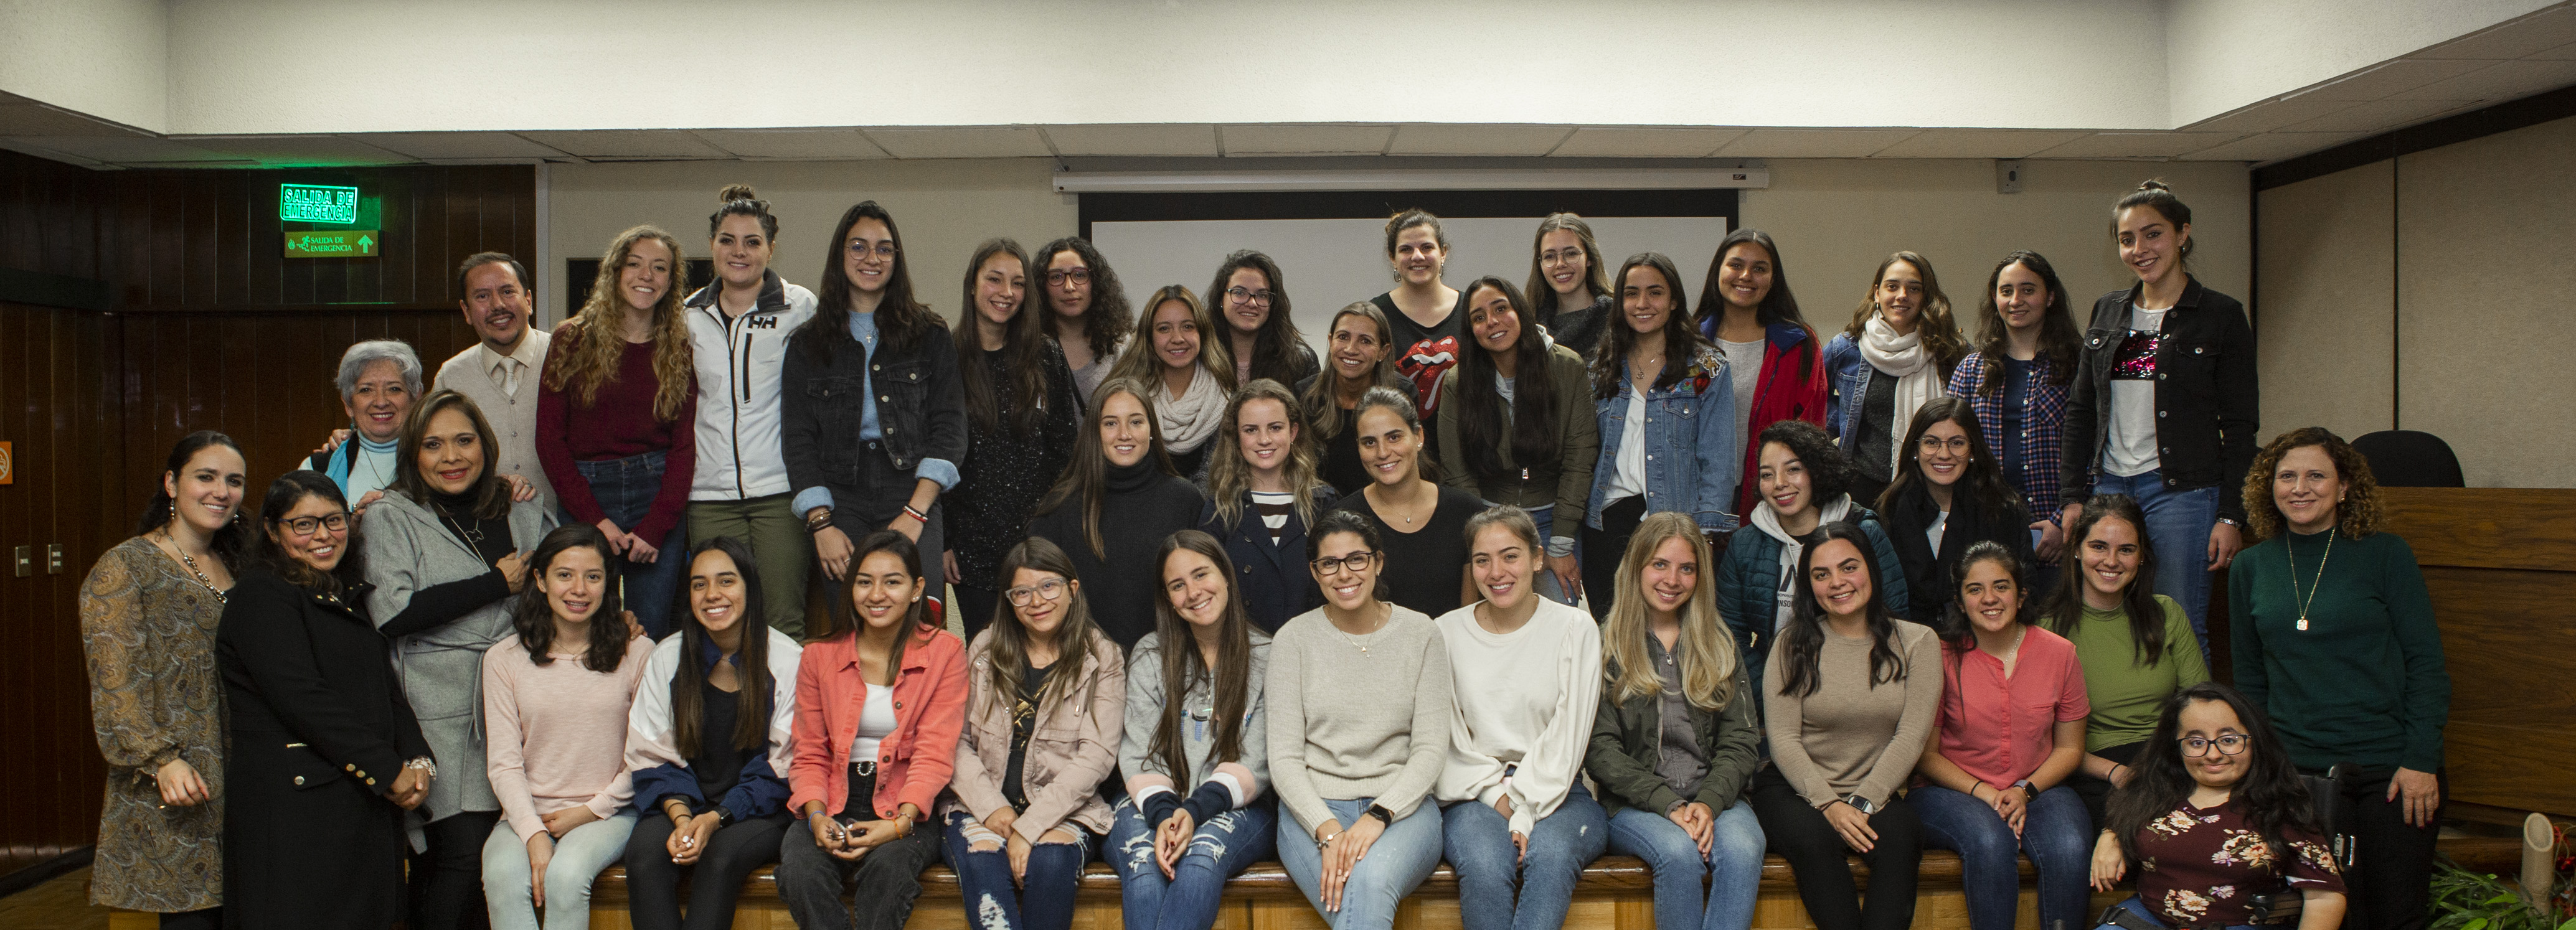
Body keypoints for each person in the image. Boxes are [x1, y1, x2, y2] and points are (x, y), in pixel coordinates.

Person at [2230, 427, 2447, 930]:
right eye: (2286, 476)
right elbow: (2250, 681)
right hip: (2298, 772)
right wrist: (2263, 773)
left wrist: (2419, 760)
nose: (2299, 487)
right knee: (2326, 916)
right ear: (2270, 487)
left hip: (2391, 771)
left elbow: (2426, 664)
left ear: (2344, 487)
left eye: (2315, 475)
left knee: (2396, 915)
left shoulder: (2385, 555)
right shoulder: (2249, 567)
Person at [364, 388, 556, 930]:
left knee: (500, 857)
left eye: (464, 440)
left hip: (521, 704)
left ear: (486, 445)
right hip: (440, 708)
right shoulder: (391, 515)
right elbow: (391, 612)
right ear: (413, 454)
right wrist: (496, 583)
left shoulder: (520, 504)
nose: (451, 457)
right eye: (433, 445)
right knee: (458, 852)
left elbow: (562, 578)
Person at [217, 472, 431, 930]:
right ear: (273, 531)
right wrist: (387, 769)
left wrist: (417, 759)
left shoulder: (340, 592)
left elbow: (385, 689)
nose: (322, 536)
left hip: (354, 806)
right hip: (296, 816)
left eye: (333, 521)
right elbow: (303, 700)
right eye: (304, 525)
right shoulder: (261, 596)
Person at [2061, 181, 2258, 649]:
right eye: (2126, 239)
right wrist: (2073, 496)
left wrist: (2231, 515)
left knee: (2180, 624)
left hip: (2182, 493)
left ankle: (2192, 724)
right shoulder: (2108, 310)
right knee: (2106, 621)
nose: (2138, 249)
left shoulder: (2220, 315)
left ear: (2182, 233)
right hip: (2110, 485)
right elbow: (2081, 409)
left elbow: (2239, 424)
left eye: (2152, 235)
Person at [80, 431, 247, 929]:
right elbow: (115, 683)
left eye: (234, 481)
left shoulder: (240, 563)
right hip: (176, 778)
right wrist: (161, 760)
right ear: (172, 484)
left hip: (241, 769)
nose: (221, 491)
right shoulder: (125, 567)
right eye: (206, 477)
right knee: (192, 917)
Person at [1269, 510, 1455, 930]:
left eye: (1356, 559)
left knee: (1368, 885)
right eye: (1328, 564)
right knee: (1358, 900)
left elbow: (1429, 749)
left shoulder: (1420, 633)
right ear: (1315, 573)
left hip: (1402, 809)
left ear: (1377, 562)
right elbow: (1283, 758)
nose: (1343, 574)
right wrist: (1327, 828)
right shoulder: (1293, 640)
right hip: (1312, 809)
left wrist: (1379, 815)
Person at [1750, 522, 1938, 930]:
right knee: (1813, 840)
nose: (1837, 582)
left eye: (1848, 567)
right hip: (1798, 791)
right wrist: (1829, 806)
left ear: (1870, 568)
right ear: (1809, 585)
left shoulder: (1918, 642)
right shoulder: (1791, 643)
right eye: (1821, 575)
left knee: (1901, 837)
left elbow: (1912, 735)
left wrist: (1863, 802)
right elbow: (1782, 738)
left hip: (1877, 791)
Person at [778, 530, 970, 930]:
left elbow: (935, 752)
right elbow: (810, 751)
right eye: (864, 582)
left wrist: (900, 823)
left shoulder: (945, 652)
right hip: (832, 797)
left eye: (892, 582)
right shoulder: (818, 656)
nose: (876, 594)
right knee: (799, 871)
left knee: (890, 873)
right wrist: (816, 817)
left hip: (905, 803)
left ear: (917, 589)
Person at [1587, 513, 1766, 930]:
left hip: (1715, 798)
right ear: (1637, 568)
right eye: (1660, 565)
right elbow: (1599, 751)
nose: (1672, 579)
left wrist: (1706, 803)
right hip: (1636, 807)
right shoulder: (1603, 645)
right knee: (1678, 854)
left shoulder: (1718, 644)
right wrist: (1668, 805)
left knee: (1744, 847)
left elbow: (1740, 741)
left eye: (1686, 568)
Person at [785, 200, 966, 609]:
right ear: (840, 255)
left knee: (921, 623)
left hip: (912, 489)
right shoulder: (806, 343)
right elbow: (798, 440)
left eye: (884, 249)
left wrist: (916, 514)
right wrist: (821, 524)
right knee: (855, 622)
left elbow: (950, 430)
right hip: (839, 497)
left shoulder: (930, 334)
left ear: (896, 259)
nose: (872, 258)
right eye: (858, 247)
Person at [1435, 507, 1608, 930]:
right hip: (1475, 792)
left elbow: (1568, 736)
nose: (1496, 572)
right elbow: (1447, 740)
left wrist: (1525, 811)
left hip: (1560, 792)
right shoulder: (1443, 632)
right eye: (1482, 560)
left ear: (1537, 558)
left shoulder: (1575, 628)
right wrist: (1501, 800)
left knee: (1549, 857)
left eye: (1510, 556)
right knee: (1483, 863)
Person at [943, 537, 1128, 930]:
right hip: (983, 804)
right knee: (983, 860)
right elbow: (955, 742)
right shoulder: (984, 649)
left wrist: (1028, 827)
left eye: (1049, 586)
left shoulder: (1103, 656)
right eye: (1021, 592)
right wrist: (996, 810)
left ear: (1072, 589)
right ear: (1009, 600)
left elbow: (1096, 756)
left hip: (1065, 809)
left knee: (1051, 861)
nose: (1036, 601)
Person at [479, 525, 655, 930]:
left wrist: (590, 811)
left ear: (608, 583)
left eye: (593, 577)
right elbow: (504, 764)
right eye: (564, 575)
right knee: (502, 877)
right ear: (540, 580)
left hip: (610, 812)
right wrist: (533, 833)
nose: (579, 589)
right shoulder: (503, 659)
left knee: (567, 876)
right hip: (528, 812)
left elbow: (647, 754)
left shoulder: (639, 652)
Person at [623, 537, 804, 930]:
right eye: (699, 584)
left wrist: (714, 820)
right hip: (682, 800)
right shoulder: (668, 656)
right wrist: (685, 817)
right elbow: (652, 754)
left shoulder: (788, 660)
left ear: (749, 589)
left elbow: (783, 767)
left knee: (720, 860)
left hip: (759, 808)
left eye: (726, 581)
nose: (712, 595)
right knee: (643, 858)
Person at [1911, 542, 2092, 930]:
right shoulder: (1941, 656)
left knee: (2071, 845)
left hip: (2038, 787)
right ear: (1960, 602)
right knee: (1990, 839)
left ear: (2022, 594)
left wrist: (2024, 791)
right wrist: (1986, 793)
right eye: (1975, 589)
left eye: (2001, 586)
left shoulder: (2061, 654)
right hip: (1952, 791)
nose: (1989, 599)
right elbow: (1925, 755)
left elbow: (2071, 748)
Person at [1110, 531, 1278, 930]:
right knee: (1145, 864)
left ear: (1226, 575)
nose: (1193, 592)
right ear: (1168, 598)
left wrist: (1194, 811)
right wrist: (1168, 814)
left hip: (1241, 806)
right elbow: (1139, 752)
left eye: (1202, 575)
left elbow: (1259, 759)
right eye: (1177, 585)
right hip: (1153, 802)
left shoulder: (1269, 655)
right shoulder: (1151, 654)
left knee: (1203, 856)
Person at [538, 225, 699, 638]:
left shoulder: (677, 346)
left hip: (655, 494)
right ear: (615, 271)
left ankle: (648, 707)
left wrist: (656, 526)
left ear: (670, 281)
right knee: (583, 625)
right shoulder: (571, 339)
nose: (646, 276)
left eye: (659, 268)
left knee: (652, 630)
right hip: (587, 494)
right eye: (635, 264)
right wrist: (594, 521)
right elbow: (550, 441)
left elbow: (683, 446)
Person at [2090, 682, 2349, 930]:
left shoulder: (2281, 805)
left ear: (2253, 739)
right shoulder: (2155, 793)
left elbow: (2323, 898)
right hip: (2149, 920)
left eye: (2228, 740)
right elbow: (2123, 818)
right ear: (2176, 747)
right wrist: (2111, 834)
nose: (2213, 754)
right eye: (2196, 742)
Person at [682, 184, 820, 637]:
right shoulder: (685, 315)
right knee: (719, 622)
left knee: (782, 621)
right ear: (711, 246)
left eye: (752, 241)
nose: (738, 252)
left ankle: (786, 711)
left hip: (779, 494)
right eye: (727, 240)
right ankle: (727, 710)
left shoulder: (800, 307)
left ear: (771, 247)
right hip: (708, 497)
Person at [1585, 251, 1739, 620]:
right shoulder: (1600, 367)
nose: (1642, 304)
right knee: (1614, 634)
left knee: (1676, 635)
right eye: (1631, 293)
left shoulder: (1707, 367)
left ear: (1673, 302)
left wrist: (1702, 534)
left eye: (1655, 293)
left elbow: (1717, 459)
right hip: (1608, 524)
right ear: (1619, 303)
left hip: (1676, 523)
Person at [2041, 495, 2207, 827]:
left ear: (2141, 556)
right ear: (2077, 550)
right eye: (2099, 547)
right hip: (2093, 768)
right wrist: (2115, 772)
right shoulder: (2046, 629)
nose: (2112, 561)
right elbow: (2040, 741)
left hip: (2168, 758)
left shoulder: (2167, 614)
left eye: (2126, 550)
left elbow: (2200, 707)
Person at [946, 237, 1082, 640]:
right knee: (987, 659)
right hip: (969, 550)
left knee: (1043, 657)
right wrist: (944, 543)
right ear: (972, 285)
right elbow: (935, 455)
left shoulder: (1045, 355)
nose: (1007, 293)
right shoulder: (945, 357)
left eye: (1018, 283)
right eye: (995, 280)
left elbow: (1065, 452)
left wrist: (1055, 532)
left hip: (1037, 543)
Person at [1716, 420, 1908, 698]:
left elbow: (1895, 617)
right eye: (1767, 475)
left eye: (1793, 469)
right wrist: (1772, 692)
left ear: (1816, 471)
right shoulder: (1745, 544)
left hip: (1859, 689)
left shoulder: (1864, 532)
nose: (1780, 484)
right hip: (1775, 690)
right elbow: (1730, 634)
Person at [1436, 277, 1598, 606]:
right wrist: (1484, 536)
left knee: (1558, 622)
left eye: (1500, 309)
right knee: (1495, 622)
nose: (1491, 322)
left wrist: (1562, 544)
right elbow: (1457, 470)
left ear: (1520, 312)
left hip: (1554, 519)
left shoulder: (1567, 367)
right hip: (1489, 516)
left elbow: (1580, 460)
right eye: (1478, 318)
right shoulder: (1459, 380)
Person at [1026, 376, 1208, 649]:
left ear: (1151, 430)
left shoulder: (1186, 500)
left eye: (1136, 422)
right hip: (1085, 664)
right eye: (1111, 423)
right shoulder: (1060, 506)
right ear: (1095, 432)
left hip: (1169, 662)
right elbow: (1038, 597)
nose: (1125, 434)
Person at [1947, 251, 2080, 588]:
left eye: (2028, 290)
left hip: (2056, 531)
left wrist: (2061, 521)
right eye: (2006, 291)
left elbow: (2095, 451)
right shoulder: (1971, 369)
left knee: (2055, 634)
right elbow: (1949, 446)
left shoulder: (2077, 365)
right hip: (1987, 527)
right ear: (1995, 299)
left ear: (2050, 297)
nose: (2016, 300)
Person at [1694, 228, 1828, 519]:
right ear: (1718, 270)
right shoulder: (1688, 342)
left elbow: (1811, 431)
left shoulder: (1798, 345)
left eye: (1759, 269)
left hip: (1772, 500)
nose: (1746, 276)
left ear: (1773, 279)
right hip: (1695, 495)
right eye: (1736, 265)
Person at [1824, 251, 1966, 509]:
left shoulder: (1952, 352)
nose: (1902, 295)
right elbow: (1813, 399)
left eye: (1914, 288)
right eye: (1893, 287)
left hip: (1932, 489)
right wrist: (1840, 419)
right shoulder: (1846, 348)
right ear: (1877, 294)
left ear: (1926, 297)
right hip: (1861, 489)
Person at [1874, 398, 2036, 624]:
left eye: (1957, 443)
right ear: (1915, 450)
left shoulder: (2003, 510)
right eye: (1931, 442)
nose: (1944, 454)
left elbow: (2024, 589)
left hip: (1985, 638)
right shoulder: (1889, 510)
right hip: (1908, 640)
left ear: (1972, 450)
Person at [1329, 387, 1482, 618]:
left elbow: (1472, 616)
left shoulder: (1466, 511)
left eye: (1394, 437)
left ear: (1418, 437)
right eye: (1369, 442)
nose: (1383, 452)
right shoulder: (1342, 520)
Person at [1201, 380, 1338, 632]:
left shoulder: (1323, 502)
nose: (1264, 440)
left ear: (1293, 432)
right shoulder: (1220, 507)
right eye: (1251, 430)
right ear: (1236, 437)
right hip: (1244, 647)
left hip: (1311, 643)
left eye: (1275, 428)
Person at [436, 252, 557, 512]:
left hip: (567, 529)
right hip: (485, 528)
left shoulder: (567, 357)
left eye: (507, 292)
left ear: (528, 300)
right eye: (482, 296)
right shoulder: (451, 376)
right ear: (466, 311)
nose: (497, 305)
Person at [1108, 284, 1235, 479]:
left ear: (1202, 332)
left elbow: (1223, 478)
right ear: (1149, 337)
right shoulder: (1124, 398)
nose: (1177, 338)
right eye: (1164, 329)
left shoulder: (1225, 399)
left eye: (1188, 327)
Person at [1375, 209, 1469, 451]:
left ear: (1443, 253)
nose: (1417, 256)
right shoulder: (1374, 316)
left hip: (1468, 452)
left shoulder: (1474, 310)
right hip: (1397, 454)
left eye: (1427, 247)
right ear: (1392, 258)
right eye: (1406, 249)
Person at [1297, 301, 1405, 496]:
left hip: (1386, 502)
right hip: (1321, 506)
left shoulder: (1403, 394)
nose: (1351, 349)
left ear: (1383, 351)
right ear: (1330, 342)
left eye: (1365, 341)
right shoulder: (1305, 394)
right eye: (1343, 337)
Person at [306, 339, 423, 512]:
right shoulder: (317, 468)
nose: (381, 402)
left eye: (394, 389)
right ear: (348, 405)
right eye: (366, 390)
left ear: (416, 398)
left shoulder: (438, 460)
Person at [1034, 236, 1134, 403]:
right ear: (1042, 286)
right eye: (1056, 277)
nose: (1069, 287)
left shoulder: (1122, 348)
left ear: (1096, 282)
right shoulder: (1029, 348)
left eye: (1080, 275)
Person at [1209, 249, 1320, 387]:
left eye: (1262, 295)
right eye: (1239, 293)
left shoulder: (1300, 360)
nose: (1252, 303)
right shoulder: (1200, 356)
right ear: (1220, 299)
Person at [1526, 212, 1611, 358]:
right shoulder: (1529, 327)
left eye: (1571, 253)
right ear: (1540, 264)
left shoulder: (1617, 318)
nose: (1560, 264)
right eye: (1550, 256)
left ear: (1589, 258)